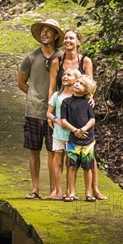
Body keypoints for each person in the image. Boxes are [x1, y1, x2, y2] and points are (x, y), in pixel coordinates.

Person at [48, 29, 107, 200]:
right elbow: (52, 87)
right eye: (65, 38)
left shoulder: (85, 61)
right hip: (63, 110)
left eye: (71, 38)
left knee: (89, 154)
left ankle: (94, 190)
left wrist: (90, 100)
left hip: (81, 110)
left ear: (78, 42)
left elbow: (90, 84)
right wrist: (50, 111)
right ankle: (61, 191)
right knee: (62, 154)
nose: (68, 41)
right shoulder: (57, 62)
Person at [17, 19, 64, 199]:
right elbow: (21, 82)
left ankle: (54, 190)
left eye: (48, 31)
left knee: (54, 151)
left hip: (56, 112)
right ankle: (35, 189)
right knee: (34, 150)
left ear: (55, 35)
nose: (44, 34)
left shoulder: (62, 57)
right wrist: (34, 95)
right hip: (34, 111)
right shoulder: (31, 57)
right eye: (42, 31)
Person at [60, 75, 98, 202]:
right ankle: (71, 192)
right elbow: (63, 120)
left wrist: (83, 129)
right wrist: (75, 130)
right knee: (72, 166)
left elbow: (92, 119)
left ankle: (88, 193)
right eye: (77, 82)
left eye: (81, 84)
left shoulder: (88, 102)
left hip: (88, 141)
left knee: (88, 167)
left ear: (86, 90)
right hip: (73, 140)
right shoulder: (66, 102)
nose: (76, 84)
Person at [46, 67, 81, 200]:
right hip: (58, 134)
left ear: (76, 80)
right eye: (64, 74)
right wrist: (55, 119)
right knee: (57, 162)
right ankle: (58, 191)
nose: (65, 77)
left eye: (69, 75)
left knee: (71, 163)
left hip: (72, 135)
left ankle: (70, 191)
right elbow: (49, 112)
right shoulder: (57, 95)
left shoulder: (79, 97)